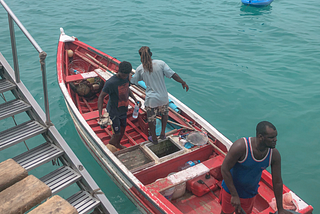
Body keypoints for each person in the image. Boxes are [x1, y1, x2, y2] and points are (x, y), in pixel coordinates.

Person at [220, 121, 293, 214]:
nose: (275, 140)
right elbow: (224, 169)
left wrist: (280, 209)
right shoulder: (241, 147)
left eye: (275, 136)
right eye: (271, 137)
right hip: (231, 191)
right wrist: (234, 195)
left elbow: (277, 182)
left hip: (249, 193)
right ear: (260, 137)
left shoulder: (274, 155)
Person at [130, 46, 189, 144]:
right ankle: (162, 134)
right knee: (164, 114)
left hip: (151, 99)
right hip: (163, 97)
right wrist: (183, 82)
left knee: (151, 119)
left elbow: (134, 81)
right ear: (151, 54)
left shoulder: (140, 69)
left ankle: (154, 138)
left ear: (140, 57)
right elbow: (173, 74)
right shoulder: (161, 64)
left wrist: (127, 78)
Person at [98, 61, 140, 150]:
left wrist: (135, 99)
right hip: (113, 112)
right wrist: (100, 114)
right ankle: (110, 147)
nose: (124, 77)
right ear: (118, 71)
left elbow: (127, 88)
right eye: (122, 75)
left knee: (122, 129)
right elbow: (101, 97)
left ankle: (117, 144)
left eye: (126, 75)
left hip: (123, 110)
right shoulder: (111, 83)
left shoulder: (126, 78)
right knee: (116, 133)